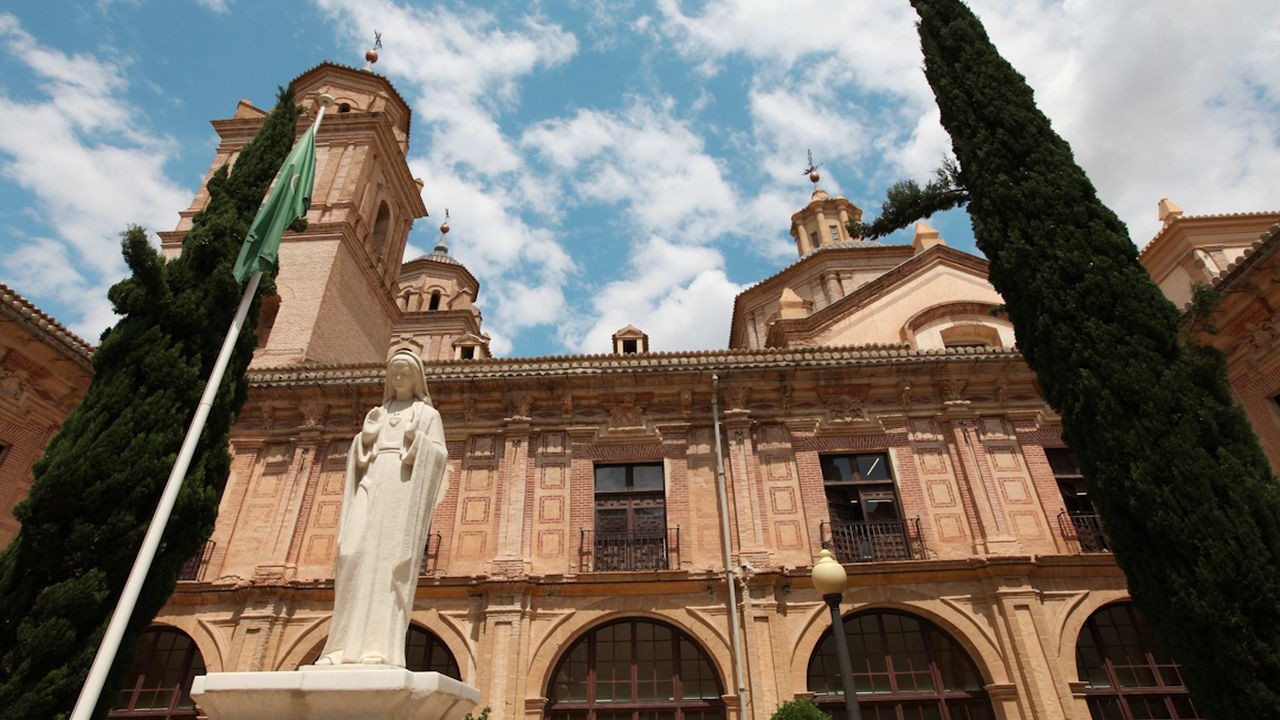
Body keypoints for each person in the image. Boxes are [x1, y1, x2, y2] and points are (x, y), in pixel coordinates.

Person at [316, 350, 449, 667]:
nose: (399, 376)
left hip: (401, 488)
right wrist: (365, 439)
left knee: (387, 563)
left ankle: (378, 646)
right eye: (394, 371)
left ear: (416, 378)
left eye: (405, 371)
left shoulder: (428, 415)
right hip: (372, 483)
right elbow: (360, 460)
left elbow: (439, 456)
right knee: (352, 556)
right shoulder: (377, 413)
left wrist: (417, 440)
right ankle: (339, 648)